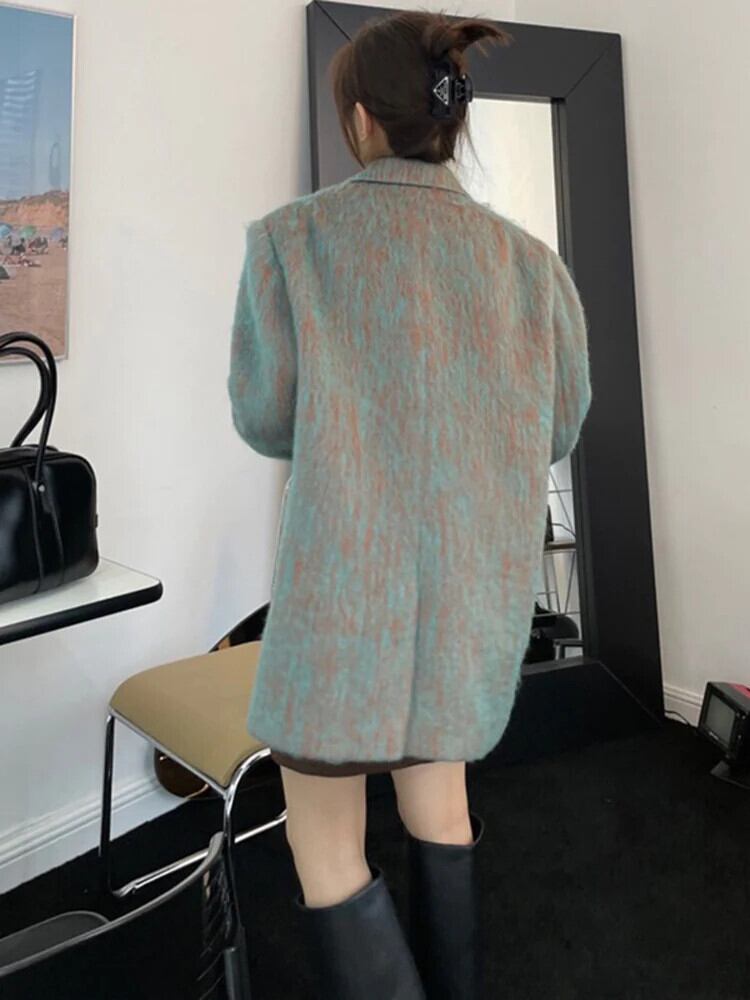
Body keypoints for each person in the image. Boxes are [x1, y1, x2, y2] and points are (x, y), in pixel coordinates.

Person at [228, 11, 592, 998]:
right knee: (442, 810)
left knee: (327, 848)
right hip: (467, 601)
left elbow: (265, 419)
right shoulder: (531, 264)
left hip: (341, 603)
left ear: (358, 119)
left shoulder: (290, 242)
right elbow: (557, 426)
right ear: (449, 120)